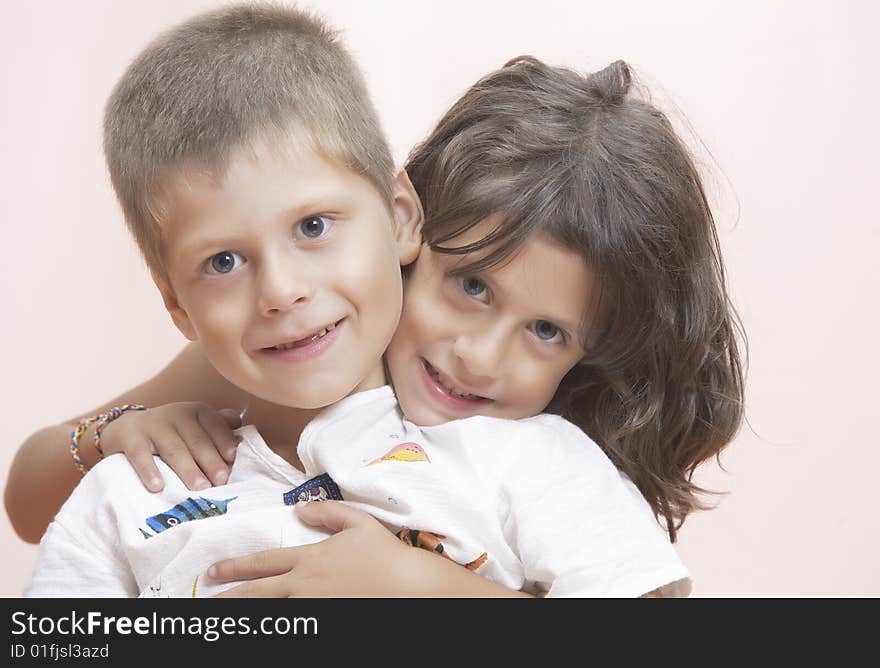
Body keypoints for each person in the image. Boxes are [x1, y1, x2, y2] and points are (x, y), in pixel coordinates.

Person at [14, 4, 743, 597]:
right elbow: (28, 500)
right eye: (470, 285)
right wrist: (115, 433)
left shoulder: (527, 456)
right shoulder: (286, 336)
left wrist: (423, 589)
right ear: (410, 226)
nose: (478, 355)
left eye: (548, 331)